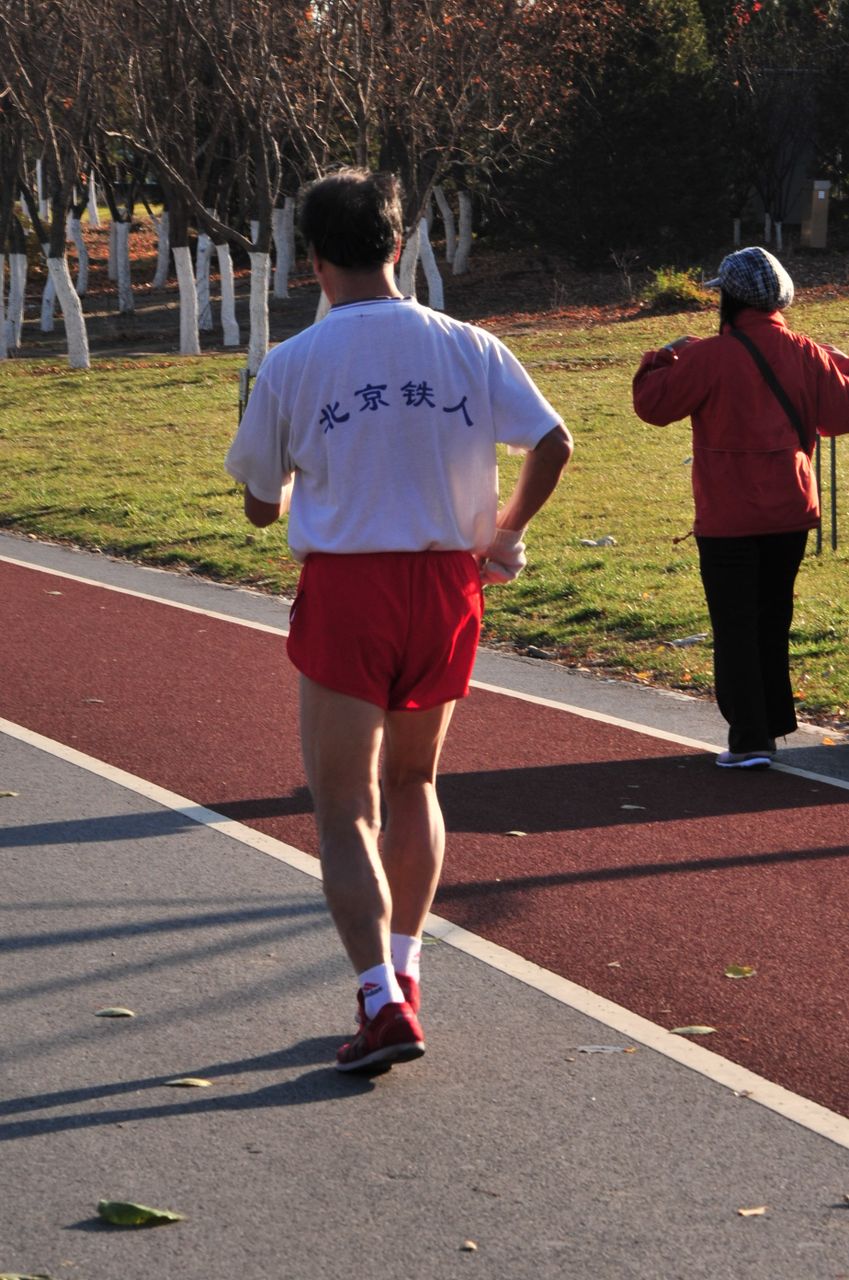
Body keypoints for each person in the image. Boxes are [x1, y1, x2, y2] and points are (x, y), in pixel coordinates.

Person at [225, 168, 572, 1072]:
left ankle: (378, 999)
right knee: (415, 785)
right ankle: (407, 973)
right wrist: (504, 533)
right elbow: (553, 439)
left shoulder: (294, 362)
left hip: (352, 589)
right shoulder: (466, 343)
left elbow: (261, 508)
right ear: (398, 239)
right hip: (447, 587)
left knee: (344, 806)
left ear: (312, 258)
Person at [633, 245, 849, 769]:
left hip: (729, 515)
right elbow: (839, 415)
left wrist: (661, 354)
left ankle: (750, 737)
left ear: (729, 299)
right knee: (773, 618)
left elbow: (653, 405)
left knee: (734, 623)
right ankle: (772, 722)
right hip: (790, 509)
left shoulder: (707, 355)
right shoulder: (807, 352)